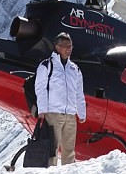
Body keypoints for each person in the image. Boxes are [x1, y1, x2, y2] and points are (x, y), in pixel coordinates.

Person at [35, 32, 87, 165]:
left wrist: (81, 113)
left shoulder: (75, 69)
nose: (68, 48)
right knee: (51, 148)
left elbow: (79, 93)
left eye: (70, 45)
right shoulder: (46, 65)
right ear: (57, 47)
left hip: (70, 114)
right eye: (64, 45)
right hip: (53, 113)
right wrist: (42, 109)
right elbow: (40, 89)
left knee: (69, 151)